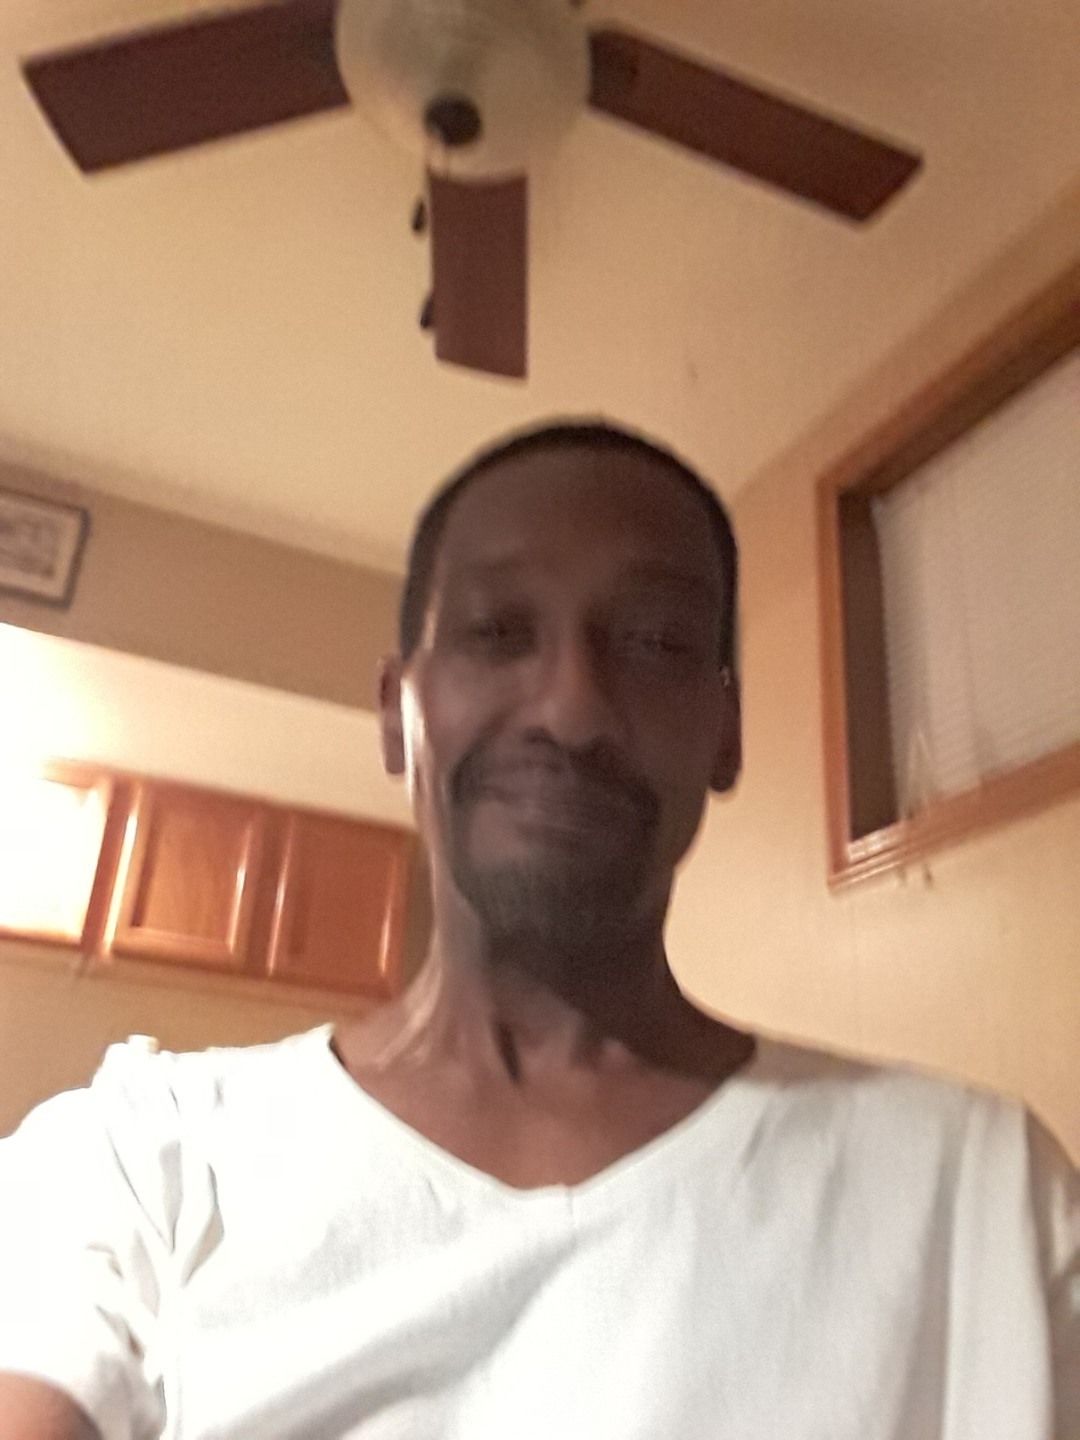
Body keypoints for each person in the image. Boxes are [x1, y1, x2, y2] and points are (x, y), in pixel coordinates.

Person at [0, 421, 1076, 1440]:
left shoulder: (983, 1197)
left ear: (727, 731)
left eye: (654, 642)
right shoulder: (138, 1162)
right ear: (397, 713)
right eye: (497, 633)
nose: (572, 710)